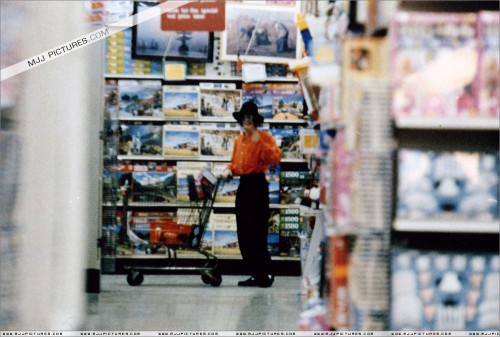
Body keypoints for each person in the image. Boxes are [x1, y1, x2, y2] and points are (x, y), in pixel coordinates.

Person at [222, 101, 282, 288]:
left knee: (258, 232)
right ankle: (256, 273)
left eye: (250, 118)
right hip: (244, 186)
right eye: (244, 118)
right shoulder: (239, 140)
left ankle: (264, 274)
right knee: (244, 233)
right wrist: (228, 170)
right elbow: (235, 164)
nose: (246, 121)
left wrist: (260, 141)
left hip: (257, 185)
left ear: (255, 120)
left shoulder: (264, 137)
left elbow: (275, 159)